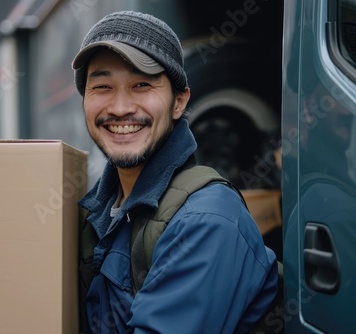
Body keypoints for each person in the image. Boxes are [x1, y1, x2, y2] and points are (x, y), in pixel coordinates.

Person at [71, 10, 278, 333]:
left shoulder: (205, 220)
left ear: (179, 101)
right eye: (102, 87)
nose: (120, 107)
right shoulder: (97, 211)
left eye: (141, 84)